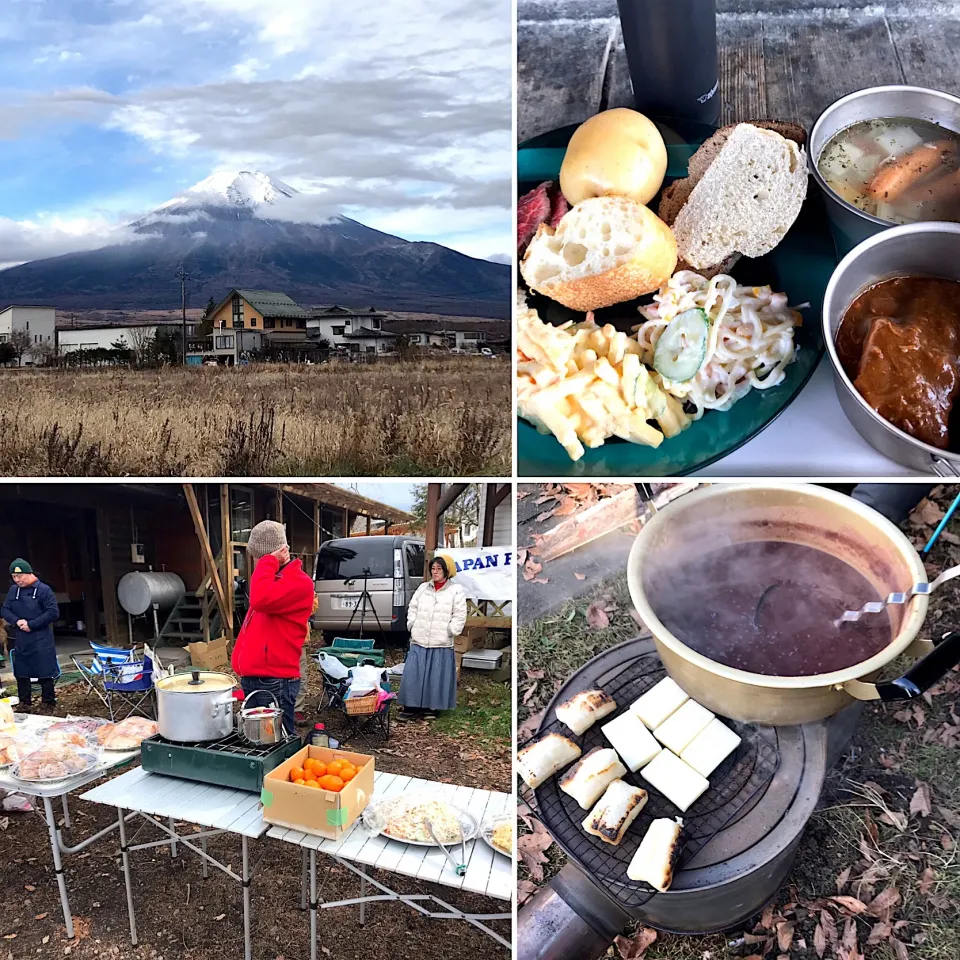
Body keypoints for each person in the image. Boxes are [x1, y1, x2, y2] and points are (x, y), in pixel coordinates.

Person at [230, 521, 315, 737]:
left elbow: (260, 600)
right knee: (257, 739)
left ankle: (282, 769)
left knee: (274, 740)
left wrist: (267, 562)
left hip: (274, 679)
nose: (256, 562)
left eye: (260, 556)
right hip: (258, 675)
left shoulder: (299, 582)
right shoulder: (272, 579)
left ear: (277, 553)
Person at [397, 555, 467, 721]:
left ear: (447, 571)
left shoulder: (455, 590)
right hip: (419, 639)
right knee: (414, 674)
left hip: (440, 641)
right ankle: (411, 707)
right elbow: (412, 607)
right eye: (433, 569)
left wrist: (452, 630)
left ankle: (431, 708)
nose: (435, 572)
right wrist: (412, 625)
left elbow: (460, 614)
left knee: (436, 676)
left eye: (439, 569)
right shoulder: (423, 588)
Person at [1, 559, 60, 709]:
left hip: (41, 637)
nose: (17, 580)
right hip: (21, 636)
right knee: (21, 671)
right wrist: (17, 621)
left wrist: (31, 624)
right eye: (14, 577)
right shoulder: (14, 590)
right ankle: (24, 701)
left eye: (19, 576)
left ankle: (48, 702)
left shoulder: (44, 590)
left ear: (29, 573)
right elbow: (5, 609)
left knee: (44, 670)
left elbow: (52, 612)